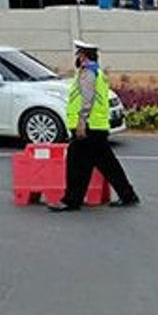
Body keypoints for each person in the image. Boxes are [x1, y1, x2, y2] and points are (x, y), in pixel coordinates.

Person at [48, 41, 139, 212]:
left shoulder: (88, 73)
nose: (77, 58)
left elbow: (87, 99)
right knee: (107, 164)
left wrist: (81, 122)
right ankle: (127, 195)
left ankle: (71, 201)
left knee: (76, 164)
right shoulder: (96, 72)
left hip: (87, 127)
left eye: (78, 55)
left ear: (82, 55)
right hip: (97, 127)